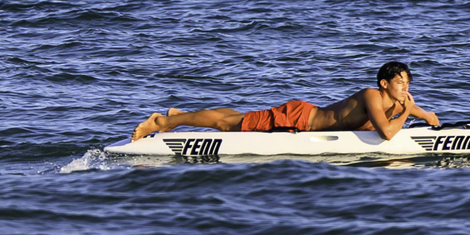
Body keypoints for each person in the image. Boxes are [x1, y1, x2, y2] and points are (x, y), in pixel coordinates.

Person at [130, 61, 439, 141]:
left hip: (302, 118)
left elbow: (420, 113)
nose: (404, 88)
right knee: (228, 125)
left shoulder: (395, 102)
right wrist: (407, 112)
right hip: (296, 119)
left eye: (408, 83)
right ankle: (163, 121)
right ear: (385, 84)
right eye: (400, 83)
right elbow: (386, 132)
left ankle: (181, 114)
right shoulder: (374, 96)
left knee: (236, 119)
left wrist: (427, 118)